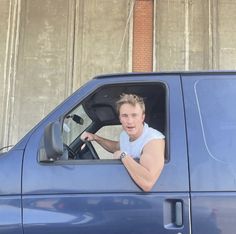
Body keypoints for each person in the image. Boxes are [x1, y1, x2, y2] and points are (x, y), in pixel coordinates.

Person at [81, 93, 165, 192]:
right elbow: (117, 147)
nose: (129, 121)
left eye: (134, 115)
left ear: (142, 117)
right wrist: (95, 138)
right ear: (120, 118)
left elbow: (147, 183)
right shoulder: (125, 135)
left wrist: (123, 156)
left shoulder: (153, 140)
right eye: (125, 116)